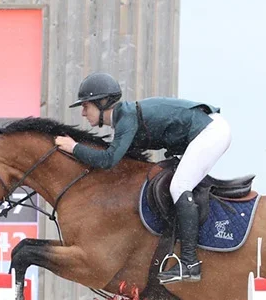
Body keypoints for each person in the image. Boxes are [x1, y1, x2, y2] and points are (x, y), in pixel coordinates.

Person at [53, 72, 231, 284]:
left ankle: (190, 263)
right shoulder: (124, 118)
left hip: (211, 132)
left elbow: (109, 160)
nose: (83, 113)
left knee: (179, 187)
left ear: (102, 103)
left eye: (86, 106)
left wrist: (74, 148)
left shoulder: (125, 118)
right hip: (207, 131)